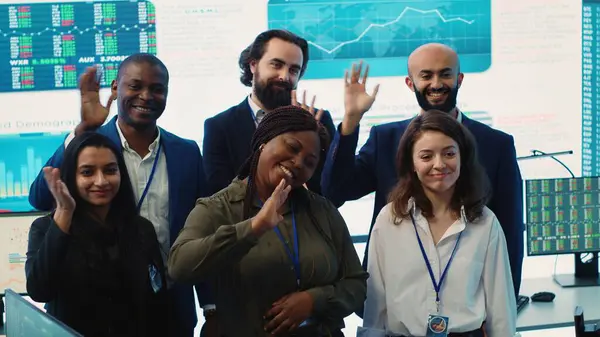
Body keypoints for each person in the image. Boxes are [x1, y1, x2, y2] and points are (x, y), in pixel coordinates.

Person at [28, 53, 211, 337]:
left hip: (169, 307)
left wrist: (210, 306)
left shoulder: (187, 153)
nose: (146, 96)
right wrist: (83, 131)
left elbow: (201, 232)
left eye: (157, 89)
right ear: (115, 88)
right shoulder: (94, 147)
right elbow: (40, 197)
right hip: (90, 312)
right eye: (135, 86)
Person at [321, 43, 524, 297]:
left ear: (459, 79)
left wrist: (506, 302)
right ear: (410, 83)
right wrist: (351, 121)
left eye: (445, 74)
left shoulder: (497, 144)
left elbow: (511, 233)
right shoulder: (386, 138)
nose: (436, 84)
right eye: (426, 75)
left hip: (469, 298)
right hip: (395, 296)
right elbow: (334, 192)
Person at [168, 105, 368, 337]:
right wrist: (255, 227)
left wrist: (313, 300)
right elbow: (179, 267)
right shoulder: (217, 208)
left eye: (310, 162)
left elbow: (356, 284)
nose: (297, 162)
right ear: (264, 141)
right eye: (292, 148)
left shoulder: (322, 210)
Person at [359, 110, 516, 337]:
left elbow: (500, 309)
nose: (439, 164)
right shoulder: (389, 220)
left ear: (463, 157)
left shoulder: (485, 222)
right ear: (411, 163)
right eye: (426, 156)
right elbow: (375, 305)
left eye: (449, 153)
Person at [25, 132, 168, 337]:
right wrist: (65, 212)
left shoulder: (141, 228)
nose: (101, 181)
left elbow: (156, 300)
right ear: (71, 177)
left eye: (110, 170)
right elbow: (40, 290)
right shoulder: (45, 227)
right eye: (87, 172)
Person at [202, 29, 336, 195]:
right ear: (253, 64)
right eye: (276, 65)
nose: (284, 76)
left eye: (294, 70)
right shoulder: (220, 127)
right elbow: (218, 197)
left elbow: (334, 192)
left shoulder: (318, 121)